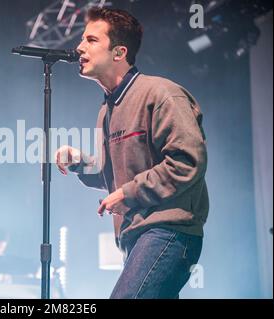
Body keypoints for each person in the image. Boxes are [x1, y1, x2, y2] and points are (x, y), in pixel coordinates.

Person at [55, 7, 209, 299]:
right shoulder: (107, 111)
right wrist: (80, 163)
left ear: (119, 52)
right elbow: (112, 173)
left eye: (91, 40)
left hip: (169, 231)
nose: (79, 47)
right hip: (135, 237)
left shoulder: (162, 94)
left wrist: (127, 193)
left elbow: (187, 162)